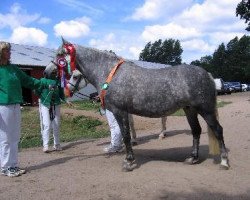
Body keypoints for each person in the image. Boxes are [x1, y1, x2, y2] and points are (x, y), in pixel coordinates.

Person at [0, 41, 56, 177]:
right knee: (6, 138)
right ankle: (5, 166)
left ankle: (13, 165)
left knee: (14, 137)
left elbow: (28, 81)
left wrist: (45, 84)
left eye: (9, 50)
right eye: (7, 51)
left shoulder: (13, 68)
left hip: (15, 105)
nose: (10, 52)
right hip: (3, 106)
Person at [35, 74, 71, 153]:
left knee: (56, 124)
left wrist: (66, 100)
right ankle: (46, 145)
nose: (54, 72)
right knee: (47, 124)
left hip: (56, 104)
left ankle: (57, 144)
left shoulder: (58, 80)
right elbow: (37, 90)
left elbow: (61, 93)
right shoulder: (43, 80)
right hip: (46, 104)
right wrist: (42, 98)